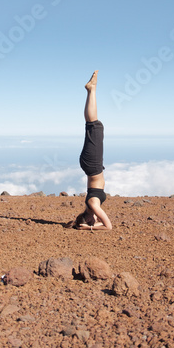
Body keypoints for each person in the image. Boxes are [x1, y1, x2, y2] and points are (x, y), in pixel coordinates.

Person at [66, 70, 112, 231]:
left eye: (92, 220)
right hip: (93, 166)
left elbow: (108, 227)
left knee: (94, 126)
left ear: (86, 217)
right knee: (96, 127)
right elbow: (105, 225)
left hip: (92, 165)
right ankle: (92, 90)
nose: (96, 219)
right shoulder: (92, 206)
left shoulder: (92, 204)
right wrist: (90, 225)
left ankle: (91, 90)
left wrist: (86, 228)